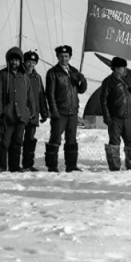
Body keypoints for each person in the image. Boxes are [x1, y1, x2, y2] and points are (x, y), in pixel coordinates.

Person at [44, 45, 87, 173]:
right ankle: (52, 166)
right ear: (57, 57)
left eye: (66, 56)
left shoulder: (74, 71)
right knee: (55, 139)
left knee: (71, 139)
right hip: (60, 112)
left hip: (72, 112)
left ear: (70, 57)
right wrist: (54, 111)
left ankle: (71, 165)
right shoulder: (53, 73)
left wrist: (82, 80)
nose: (64, 58)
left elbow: (81, 90)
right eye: (61, 56)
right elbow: (50, 94)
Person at [0, 47, 34, 172]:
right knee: (5, 142)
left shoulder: (25, 77)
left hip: (21, 115)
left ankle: (14, 166)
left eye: (16, 60)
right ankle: (1, 166)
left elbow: (30, 95)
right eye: (12, 60)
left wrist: (31, 111)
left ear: (20, 61)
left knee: (17, 142)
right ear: (7, 60)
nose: (14, 62)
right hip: (7, 115)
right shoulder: (1, 75)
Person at [100, 56, 131, 171]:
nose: (124, 70)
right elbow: (103, 100)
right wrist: (107, 117)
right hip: (115, 117)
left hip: (129, 117)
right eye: (121, 68)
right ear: (115, 69)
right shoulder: (108, 82)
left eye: (124, 67)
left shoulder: (129, 80)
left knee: (130, 142)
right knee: (114, 143)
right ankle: (115, 166)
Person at [22, 50, 48, 171]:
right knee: (16, 139)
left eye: (33, 62)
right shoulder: (20, 75)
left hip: (33, 113)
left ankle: (28, 164)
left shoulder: (37, 78)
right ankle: (14, 164)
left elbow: (41, 96)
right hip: (21, 112)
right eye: (28, 62)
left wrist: (44, 112)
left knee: (30, 140)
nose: (31, 65)